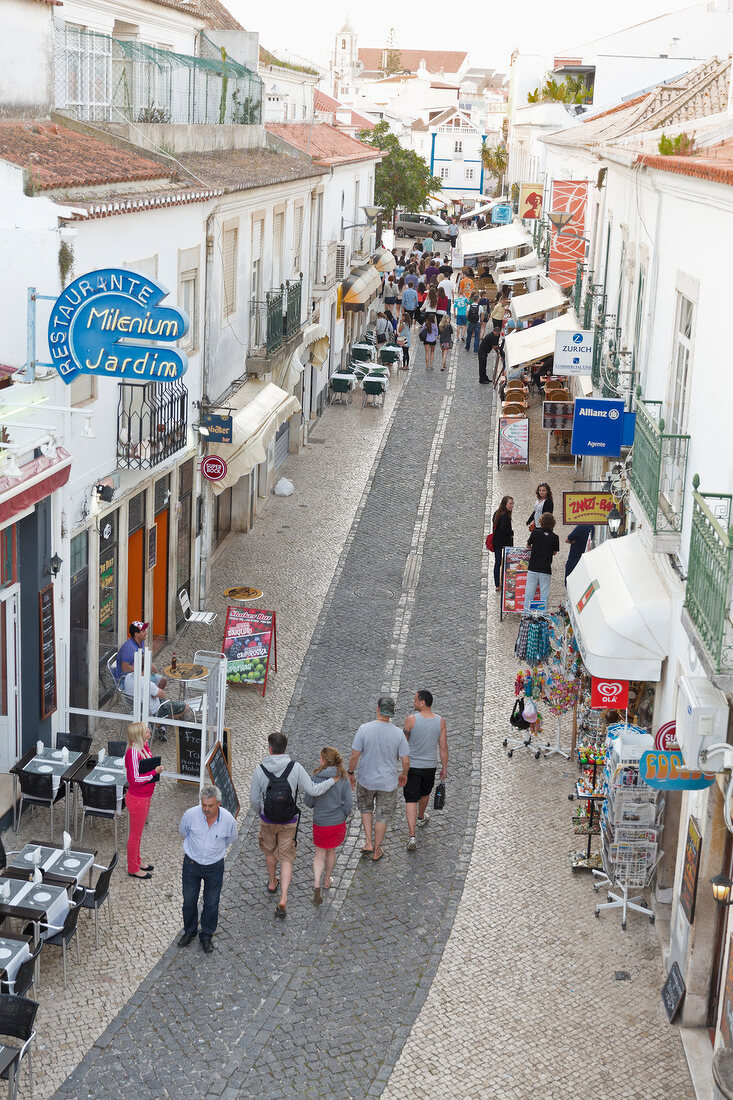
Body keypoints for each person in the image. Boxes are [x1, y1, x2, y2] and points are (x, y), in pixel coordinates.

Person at [250, 732, 336, 918]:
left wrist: (262, 814)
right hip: (289, 821)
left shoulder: (260, 769)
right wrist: (331, 781)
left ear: (270, 748)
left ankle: (273, 882)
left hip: (268, 820)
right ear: (285, 748)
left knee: (270, 852)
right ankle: (283, 898)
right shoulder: (295, 768)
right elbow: (313, 790)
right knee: (287, 857)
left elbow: (254, 799)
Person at [348, 697, 409, 862]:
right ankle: (376, 850)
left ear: (378, 709)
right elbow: (406, 760)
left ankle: (368, 842)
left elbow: (355, 755)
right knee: (382, 816)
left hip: (366, 779)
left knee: (366, 809)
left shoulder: (364, 729)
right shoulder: (398, 733)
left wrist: (351, 773)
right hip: (388, 783)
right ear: (392, 713)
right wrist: (404, 774)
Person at [177, 785, 237, 953]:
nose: (206, 809)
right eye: (204, 805)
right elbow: (184, 831)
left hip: (214, 867)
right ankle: (190, 931)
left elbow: (231, 838)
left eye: (210, 806)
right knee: (189, 901)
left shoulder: (228, 820)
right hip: (191, 865)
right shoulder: (190, 815)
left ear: (219, 804)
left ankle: (207, 936)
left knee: (211, 903)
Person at [304, 747, 353, 905]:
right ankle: (327, 879)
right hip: (337, 822)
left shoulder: (315, 777)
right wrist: (343, 815)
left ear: (324, 761)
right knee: (331, 851)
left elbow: (309, 802)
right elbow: (349, 804)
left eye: (320, 758)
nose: (319, 760)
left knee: (319, 855)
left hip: (321, 822)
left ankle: (316, 884)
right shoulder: (343, 778)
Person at [402, 690, 448, 850]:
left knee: (410, 799)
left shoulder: (410, 720)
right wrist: (444, 767)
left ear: (422, 703)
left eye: (415, 701)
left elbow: (403, 743)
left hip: (412, 766)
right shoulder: (440, 722)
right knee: (425, 793)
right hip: (430, 766)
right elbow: (443, 748)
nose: (413, 703)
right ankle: (421, 816)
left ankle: (412, 836)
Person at [125, 721, 163, 880]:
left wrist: (145, 744)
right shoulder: (133, 753)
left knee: (138, 834)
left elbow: (147, 760)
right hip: (138, 799)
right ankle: (132, 867)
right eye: (145, 731)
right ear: (139, 736)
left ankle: (137, 861)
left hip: (144, 797)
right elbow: (134, 779)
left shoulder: (143, 747)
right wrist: (154, 772)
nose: (149, 731)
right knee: (135, 835)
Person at [116, 622, 167, 712]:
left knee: (163, 680)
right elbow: (125, 668)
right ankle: (149, 707)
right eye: (143, 631)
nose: (146, 632)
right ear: (136, 634)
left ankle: (153, 701)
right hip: (128, 678)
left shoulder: (141, 642)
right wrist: (144, 669)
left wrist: (150, 664)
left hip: (139, 673)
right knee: (155, 685)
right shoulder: (127, 648)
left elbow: (142, 658)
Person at [523, 513, 560, 612]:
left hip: (533, 568)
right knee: (544, 595)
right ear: (553, 523)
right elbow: (555, 552)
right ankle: (542, 615)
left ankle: (526, 614)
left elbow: (528, 545)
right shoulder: (555, 537)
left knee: (529, 593)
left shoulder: (535, 533)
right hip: (545, 569)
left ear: (541, 522)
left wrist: (534, 548)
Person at [491, 495, 514, 591]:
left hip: (497, 542)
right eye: (510, 504)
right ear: (505, 504)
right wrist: (511, 533)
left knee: (497, 563)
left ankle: (497, 584)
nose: (512, 506)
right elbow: (504, 528)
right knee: (506, 563)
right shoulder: (505, 515)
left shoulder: (497, 513)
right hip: (505, 543)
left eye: (512, 504)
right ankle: (505, 583)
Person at [478, 321, 503, 385]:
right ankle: (482, 379)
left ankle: (485, 378)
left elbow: (494, 346)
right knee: (482, 366)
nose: (498, 335)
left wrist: (497, 351)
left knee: (484, 365)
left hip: (484, 352)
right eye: (498, 333)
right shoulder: (492, 336)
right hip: (482, 352)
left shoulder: (492, 336)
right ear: (495, 332)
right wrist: (500, 348)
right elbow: (494, 346)